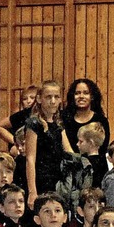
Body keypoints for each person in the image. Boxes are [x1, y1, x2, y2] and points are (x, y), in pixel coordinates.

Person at [25, 81, 73, 210]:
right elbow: (30, 159)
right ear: (39, 99)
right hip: (41, 179)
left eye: (56, 97)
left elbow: (69, 152)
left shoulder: (58, 123)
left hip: (57, 180)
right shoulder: (34, 123)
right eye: (48, 97)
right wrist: (32, 191)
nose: (53, 101)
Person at [62, 80, 111, 155]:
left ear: (92, 96)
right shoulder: (64, 119)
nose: (81, 96)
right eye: (77, 93)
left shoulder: (101, 120)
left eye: (86, 93)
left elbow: (103, 148)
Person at [77, 123, 108, 189]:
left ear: (91, 143)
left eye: (81, 141)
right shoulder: (104, 160)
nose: (77, 144)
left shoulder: (84, 162)